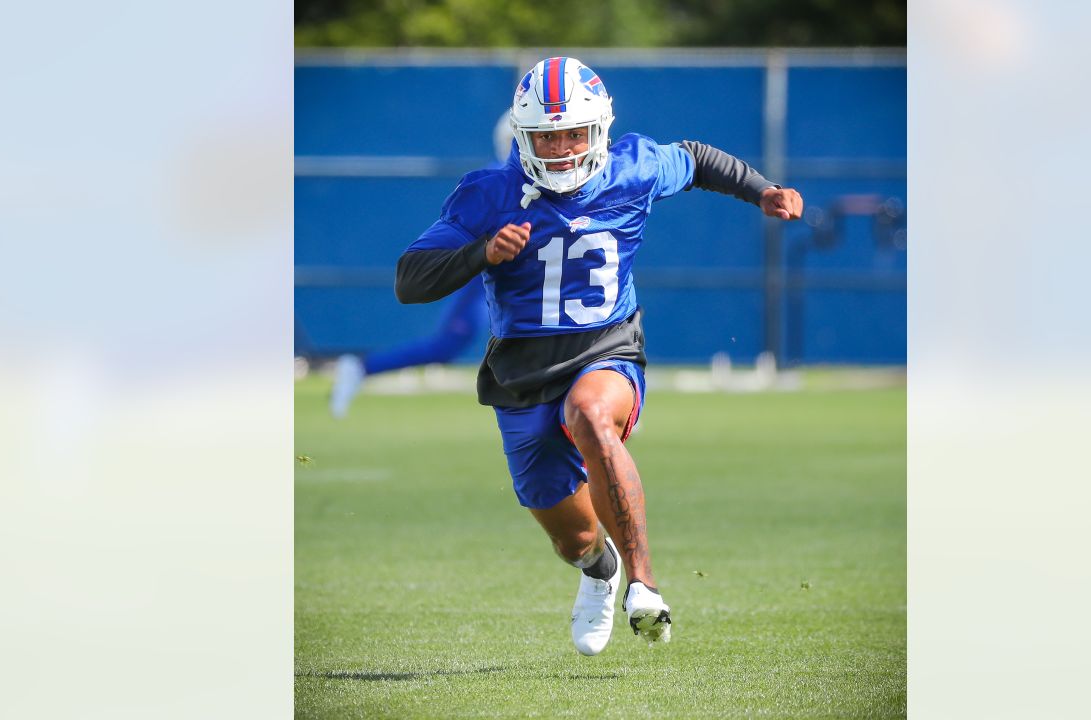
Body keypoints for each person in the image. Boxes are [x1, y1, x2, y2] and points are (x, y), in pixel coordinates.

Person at [394, 57, 803, 655]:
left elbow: (696, 158)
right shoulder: (489, 193)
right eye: (546, 136)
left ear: (600, 130)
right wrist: (482, 253)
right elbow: (410, 280)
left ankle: (644, 586)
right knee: (572, 538)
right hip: (523, 369)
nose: (560, 149)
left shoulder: (631, 166)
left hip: (606, 346)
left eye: (573, 134)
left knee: (590, 415)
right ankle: (601, 571)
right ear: (522, 137)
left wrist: (761, 189)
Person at [329, 111, 516, 419]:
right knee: (448, 345)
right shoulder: (496, 179)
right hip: (486, 274)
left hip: (514, 275)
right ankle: (361, 368)